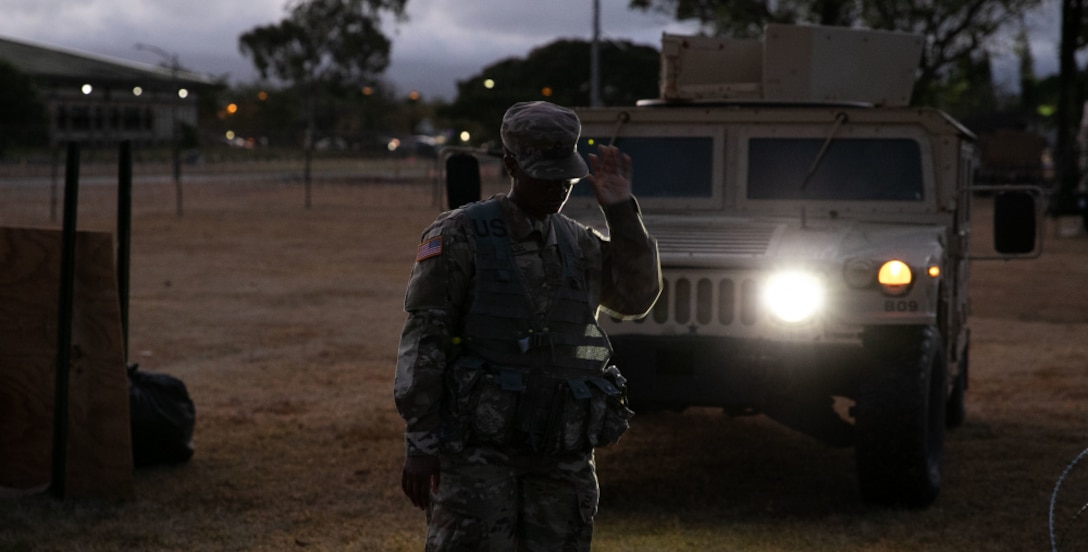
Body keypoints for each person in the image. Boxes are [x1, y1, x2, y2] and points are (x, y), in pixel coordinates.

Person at [394, 100, 661, 551]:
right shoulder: (460, 235)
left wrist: (622, 213)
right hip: (479, 450)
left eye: (566, 175)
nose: (558, 186)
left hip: (561, 451)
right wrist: (421, 442)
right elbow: (426, 340)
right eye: (545, 174)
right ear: (511, 165)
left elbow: (636, 300)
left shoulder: (581, 244)